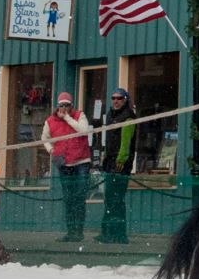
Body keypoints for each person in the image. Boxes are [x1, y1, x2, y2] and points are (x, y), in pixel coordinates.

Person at [41, 91, 94, 242]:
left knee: (79, 197)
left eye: (67, 105)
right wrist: (52, 151)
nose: (64, 108)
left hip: (81, 162)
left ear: (72, 106)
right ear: (57, 106)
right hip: (64, 163)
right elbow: (44, 138)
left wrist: (68, 118)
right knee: (69, 198)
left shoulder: (79, 115)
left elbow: (83, 131)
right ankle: (71, 231)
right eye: (61, 105)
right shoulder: (50, 121)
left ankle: (79, 231)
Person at [97, 87, 140, 243]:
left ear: (125, 100)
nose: (116, 101)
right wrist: (105, 157)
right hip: (110, 160)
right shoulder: (110, 115)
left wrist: (121, 159)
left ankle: (118, 234)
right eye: (113, 98)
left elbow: (126, 141)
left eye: (119, 98)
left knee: (116, 199)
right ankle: (107, 231)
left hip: (120, 163)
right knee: (109, 199)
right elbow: (109, 140)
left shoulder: (128, 117)